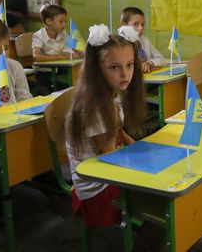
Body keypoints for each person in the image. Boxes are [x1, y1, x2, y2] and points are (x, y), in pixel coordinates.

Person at [64, 27, 158, 249]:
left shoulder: (111, 93)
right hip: (97, 192)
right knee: (164, 204)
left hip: (109, 176)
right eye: (115, 67)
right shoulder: (94, 106)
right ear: (97, 68)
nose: (125, 74)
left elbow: (118, 132)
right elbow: (111, 158)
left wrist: (141, 149)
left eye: (129, 65)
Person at [118, 7, 166, 73]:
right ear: (123, 25)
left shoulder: (144, 40)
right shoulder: (118, 44)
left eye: (142, 24)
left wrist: (150, 63)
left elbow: (161, 59)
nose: (141, 28)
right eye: (136, 24)